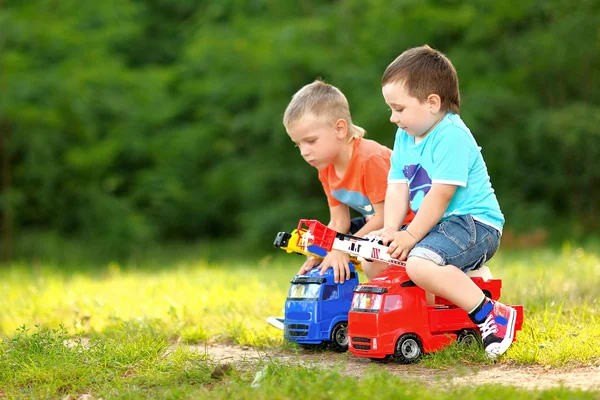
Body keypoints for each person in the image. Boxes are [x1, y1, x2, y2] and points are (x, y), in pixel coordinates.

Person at [366, 45, 517, 359]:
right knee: (373, 255)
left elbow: (440, 195)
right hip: (436, 226)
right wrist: (391, 230)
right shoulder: (405, 135)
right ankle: (423, 321)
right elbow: (396, 186)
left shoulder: (452, 137)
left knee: (420, 263)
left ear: (432, 102)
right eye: (390, 109)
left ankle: (491, 314)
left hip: (474, 224)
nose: (392, 118)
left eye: (399, 108)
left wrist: (409, 236)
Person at [267, 79, 414, 330]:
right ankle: (322, 313)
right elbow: (339, 222)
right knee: (317, 242)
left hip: (408, 226)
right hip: (376, 226)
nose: (304, 151)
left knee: (357, 254)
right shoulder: (326, 169)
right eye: (298, 144)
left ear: (339, 129)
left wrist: (343, 249)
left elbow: (385, 218)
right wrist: (322, 251)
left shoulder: (370, 159)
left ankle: (389, 313)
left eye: (311, 141)